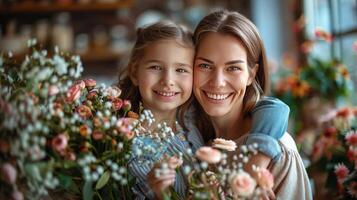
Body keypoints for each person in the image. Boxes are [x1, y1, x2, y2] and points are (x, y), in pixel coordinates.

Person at [118, 21, 289, 199]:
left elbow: (276, 109)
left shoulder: (192, 114)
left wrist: (255, 166)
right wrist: (162, 193)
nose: (168, 80)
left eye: (181, 70)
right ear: (135, 72)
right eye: (155, 67)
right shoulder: (124, 144)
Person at [192, 10, 312, 199]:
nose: (218, 82)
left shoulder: (278, 151)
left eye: (233, 68)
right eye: (205, 66)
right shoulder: (191, 141)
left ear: (251, 74)